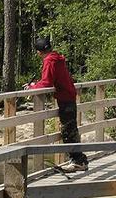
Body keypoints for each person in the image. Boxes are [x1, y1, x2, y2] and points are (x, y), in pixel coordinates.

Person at [25, 36, 88, 172]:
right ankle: (78, 159)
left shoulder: (49, 61)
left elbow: (47, 82)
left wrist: (32, 88)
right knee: (70, 129)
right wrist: (36, 84)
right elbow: (50, 80)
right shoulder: (57, 58)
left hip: (65, 98)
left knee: (68, 132)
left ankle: (79, 161)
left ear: (38, 52)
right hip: (68, 96)